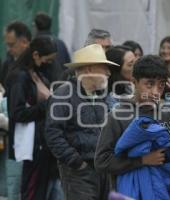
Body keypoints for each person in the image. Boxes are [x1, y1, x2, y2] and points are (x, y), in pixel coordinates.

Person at [94, 55, 170, 199]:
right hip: (130, 193)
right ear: (134, 82)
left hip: (167, 192)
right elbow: (101, 161)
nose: (155, 92)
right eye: (149, 84)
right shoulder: (117, 116)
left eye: (161, 85)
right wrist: (142, 161)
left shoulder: (166, 113)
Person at [44, 44, 119, 200]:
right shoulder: (63, 95)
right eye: (103, 68)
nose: (108, 72)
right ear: (89, 70)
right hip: (79, 171)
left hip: (103, 168)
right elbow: (53, 134)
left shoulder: (102, 95)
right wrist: (77, 162)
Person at [6, 36, 57, 200]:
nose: (49, 63)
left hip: (42, 143)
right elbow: (17, 113)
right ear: (35, 55)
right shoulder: (20, 77)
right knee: (32, 190)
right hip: (31, 144)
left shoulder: (37, 73)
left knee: (40, 189)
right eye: (47, 60)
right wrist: (47, 105)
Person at [1, 21, 31, 90]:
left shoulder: (37, 62)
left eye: (11, 45)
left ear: (24, 42)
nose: (8, 49)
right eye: (7, 45)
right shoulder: (7, 64)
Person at [106, 45, 136, 110]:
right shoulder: (111, 98)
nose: (136, 67)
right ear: (116, 69)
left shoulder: (131, 87)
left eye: (136, 62)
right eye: (130, 65)